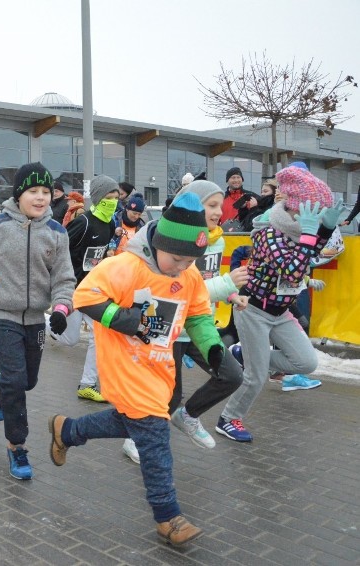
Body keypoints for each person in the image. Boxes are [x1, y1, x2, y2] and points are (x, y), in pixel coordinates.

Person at [48, 192, 222, 546]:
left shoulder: (188, 277)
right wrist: (126, 320)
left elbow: (200, 316)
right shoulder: (126, 266)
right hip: (125, 368)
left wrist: (215, 350)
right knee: (155, 442)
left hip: (159, 371)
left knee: (128, 422)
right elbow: (86, 296)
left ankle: (67, 431)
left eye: (191, 261)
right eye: (176, 258)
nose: (182, 267)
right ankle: (168, 518)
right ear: (159, 243)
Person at [0, 162, 76, 480]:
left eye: (46, 191)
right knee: (18, 382)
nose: (40, 197)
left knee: (27, 381)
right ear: (19, 194)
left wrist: (62, 309)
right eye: (33, 191)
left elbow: (64, 279)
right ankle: (16, 446)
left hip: (35, 318)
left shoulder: (57, 233)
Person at [120, 181, 247, 464]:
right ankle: (135, 439)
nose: (219, 212)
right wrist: (224, 284)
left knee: (232, 374)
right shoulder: (169, 238)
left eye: (220, 205)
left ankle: (188, 416)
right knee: (168, 394)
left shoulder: (218, 239)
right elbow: (174, 291)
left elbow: (204, 284)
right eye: (211, 205)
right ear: (190, 205)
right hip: (168, 327)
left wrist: (230, 294)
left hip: (200, 326)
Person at [215, 165, 343, 442]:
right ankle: (228, 418)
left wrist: (326, 229)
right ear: (296, 208)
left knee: (306, 361)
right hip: (254, 310)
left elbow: (309, 253)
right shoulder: (267, 232)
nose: (318, 217)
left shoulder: (299, 230)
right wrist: (313, 236)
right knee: (256, 377)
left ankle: (243, 355)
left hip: (281, 311)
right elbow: (294, 270)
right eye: (316, 211)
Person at [66, 175, 120, 402]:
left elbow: (100, 254)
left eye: (116, 197)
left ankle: (87, 385)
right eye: (109, 197)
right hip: (71, 288)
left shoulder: (110, 224)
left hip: (92, 291)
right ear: (98, 198)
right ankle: (41, 322)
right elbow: (60, 250)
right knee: (67, 340)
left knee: (100, 334)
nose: (113, 201)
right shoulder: (83, 222)